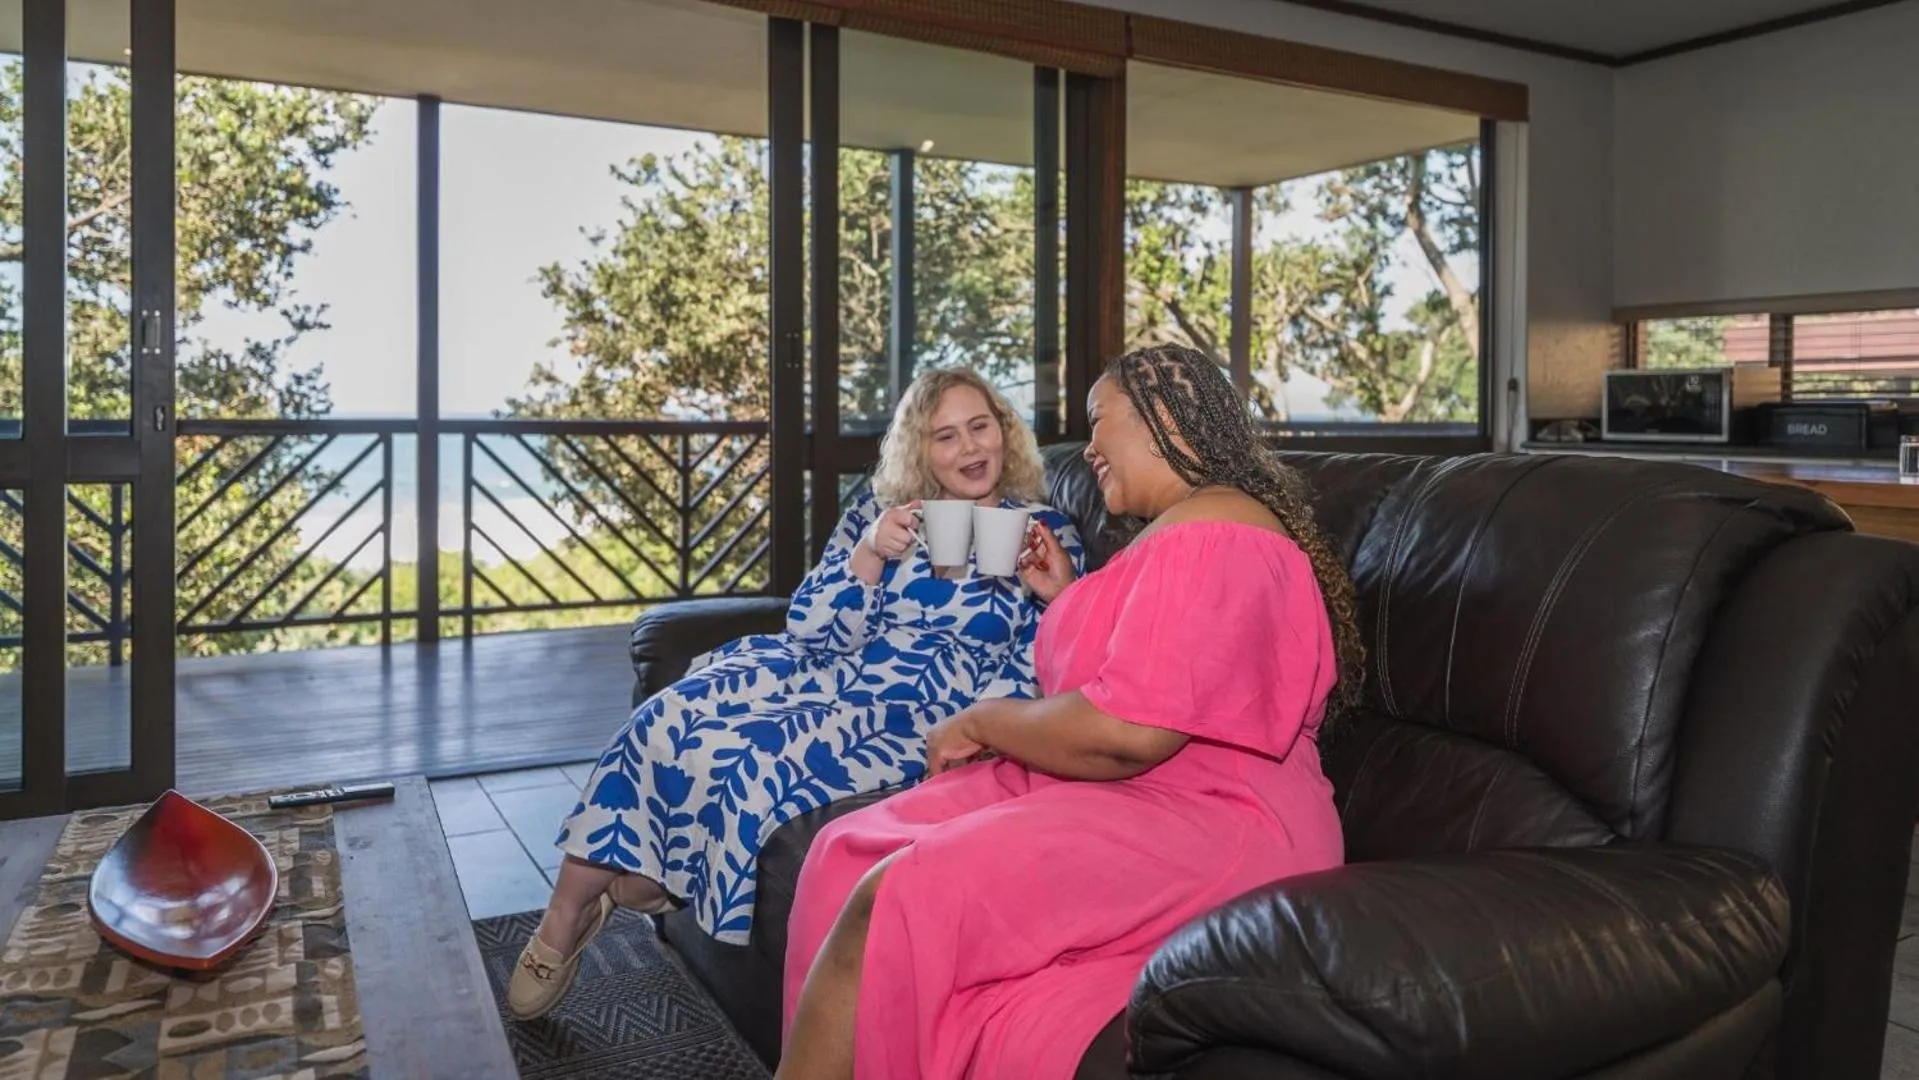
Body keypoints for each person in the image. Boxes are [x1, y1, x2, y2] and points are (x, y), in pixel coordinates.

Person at [775, 344, 1366, 1080]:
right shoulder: (1180, 530)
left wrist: (985, 720)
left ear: (1165, 428)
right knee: (846, 847)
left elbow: (1128, 732)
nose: (1086, 447)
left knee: (896, 893)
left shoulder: (1215, 533)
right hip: (1142, 793)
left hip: (1211, 820)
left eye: (1098, 422)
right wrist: (1066, 596)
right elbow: (1150, 669)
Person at [507, 367, 1084, 1021]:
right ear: (920, 451)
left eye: (980, 426)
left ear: (1004, 431)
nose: (969, 448)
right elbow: (809, 629)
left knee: (761, 753)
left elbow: (1051, 656)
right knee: (668, 715)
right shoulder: (879, 515)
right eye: (944, 436)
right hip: (828, 668)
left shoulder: (1043, 530)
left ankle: (648, 883)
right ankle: (565, 913)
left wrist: (1047, 614)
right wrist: (868, 554)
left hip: (923, 707)